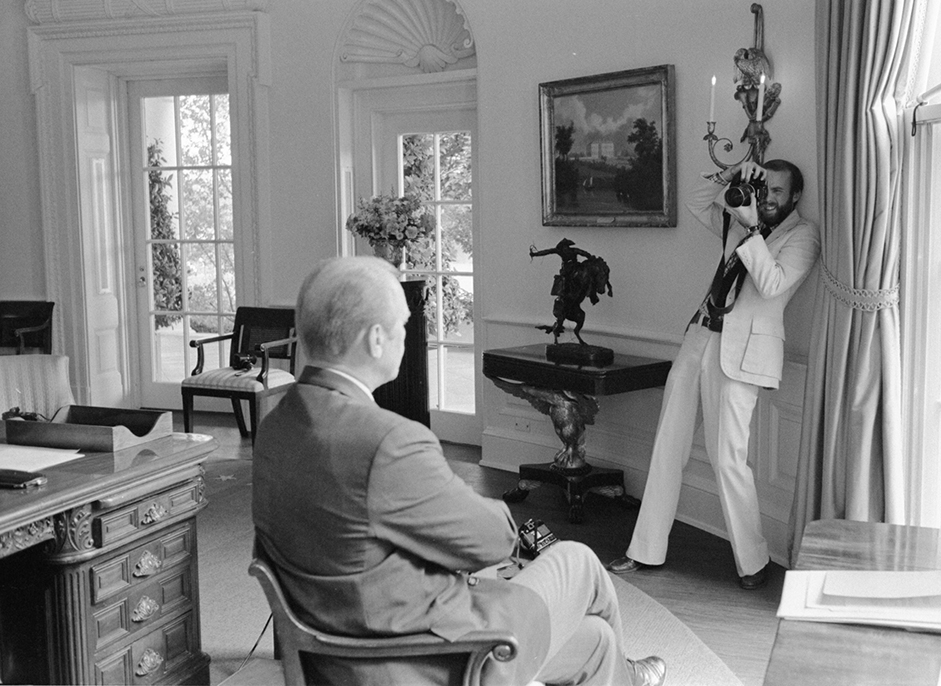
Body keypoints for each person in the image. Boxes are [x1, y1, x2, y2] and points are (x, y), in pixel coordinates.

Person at [252, 256, 666, 686]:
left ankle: (624, 673)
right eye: (403, 324)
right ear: (376, 339)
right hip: (433, 661)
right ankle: (631, 678)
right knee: (578, 561)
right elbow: (495, 541)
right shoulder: (385, 441)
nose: (406, 336)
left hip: (339, 655)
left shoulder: (276, 424)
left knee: (595, 642)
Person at [607, 159, 820, 590]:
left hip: (743, 355)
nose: (769, 198)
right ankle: (644, 550)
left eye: (778, 191)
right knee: (668, 443)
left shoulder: (803, 235)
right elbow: (696, 202)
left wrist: (753, 228)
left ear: (794, 196)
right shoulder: (744, 216)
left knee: (727, 458)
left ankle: (754, 561)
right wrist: (732, 176)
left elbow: (773, 284)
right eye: (765, 188)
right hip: (700, 337)